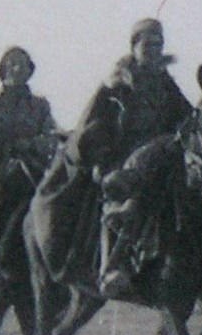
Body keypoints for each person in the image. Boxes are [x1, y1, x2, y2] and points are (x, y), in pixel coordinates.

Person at [63, 19, 194, 300]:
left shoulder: (165, 82)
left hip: (160, 156)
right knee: (129, 200)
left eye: (158, 44)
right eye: (147, 44)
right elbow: (93, 121)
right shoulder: (117, 83)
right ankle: (112, 265)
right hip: (119, 157)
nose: (153, 50)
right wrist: (101, 153)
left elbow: (186, 114)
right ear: (134, 46)